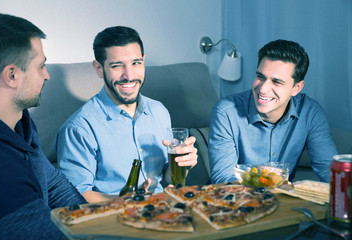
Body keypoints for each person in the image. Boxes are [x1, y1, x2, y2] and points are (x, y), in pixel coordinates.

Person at [55, 26, 198, 202]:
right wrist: (127, 201)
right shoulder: (79, 128)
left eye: (136, 63)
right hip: (113, 220)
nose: (129, 76)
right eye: (117, 66)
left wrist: (182, 164)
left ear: (143, 61)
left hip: (163, 212)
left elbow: (167, 179)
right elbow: (75, 197)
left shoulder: (159, 111)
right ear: (99, 68)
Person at [0, 13, 87, 239]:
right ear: (12, 75)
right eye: (41, 66)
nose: (46, 75)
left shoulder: (20, 121)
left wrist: (91, 221)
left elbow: (52, 184)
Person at [208, 39, 338, 183]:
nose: (263, 89)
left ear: (296, 88)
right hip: (237, 201)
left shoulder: (311, 113)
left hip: (285, 201)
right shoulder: (226, 112)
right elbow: (224, 180)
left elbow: (330, 171)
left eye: (276, 82)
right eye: (260, 77)